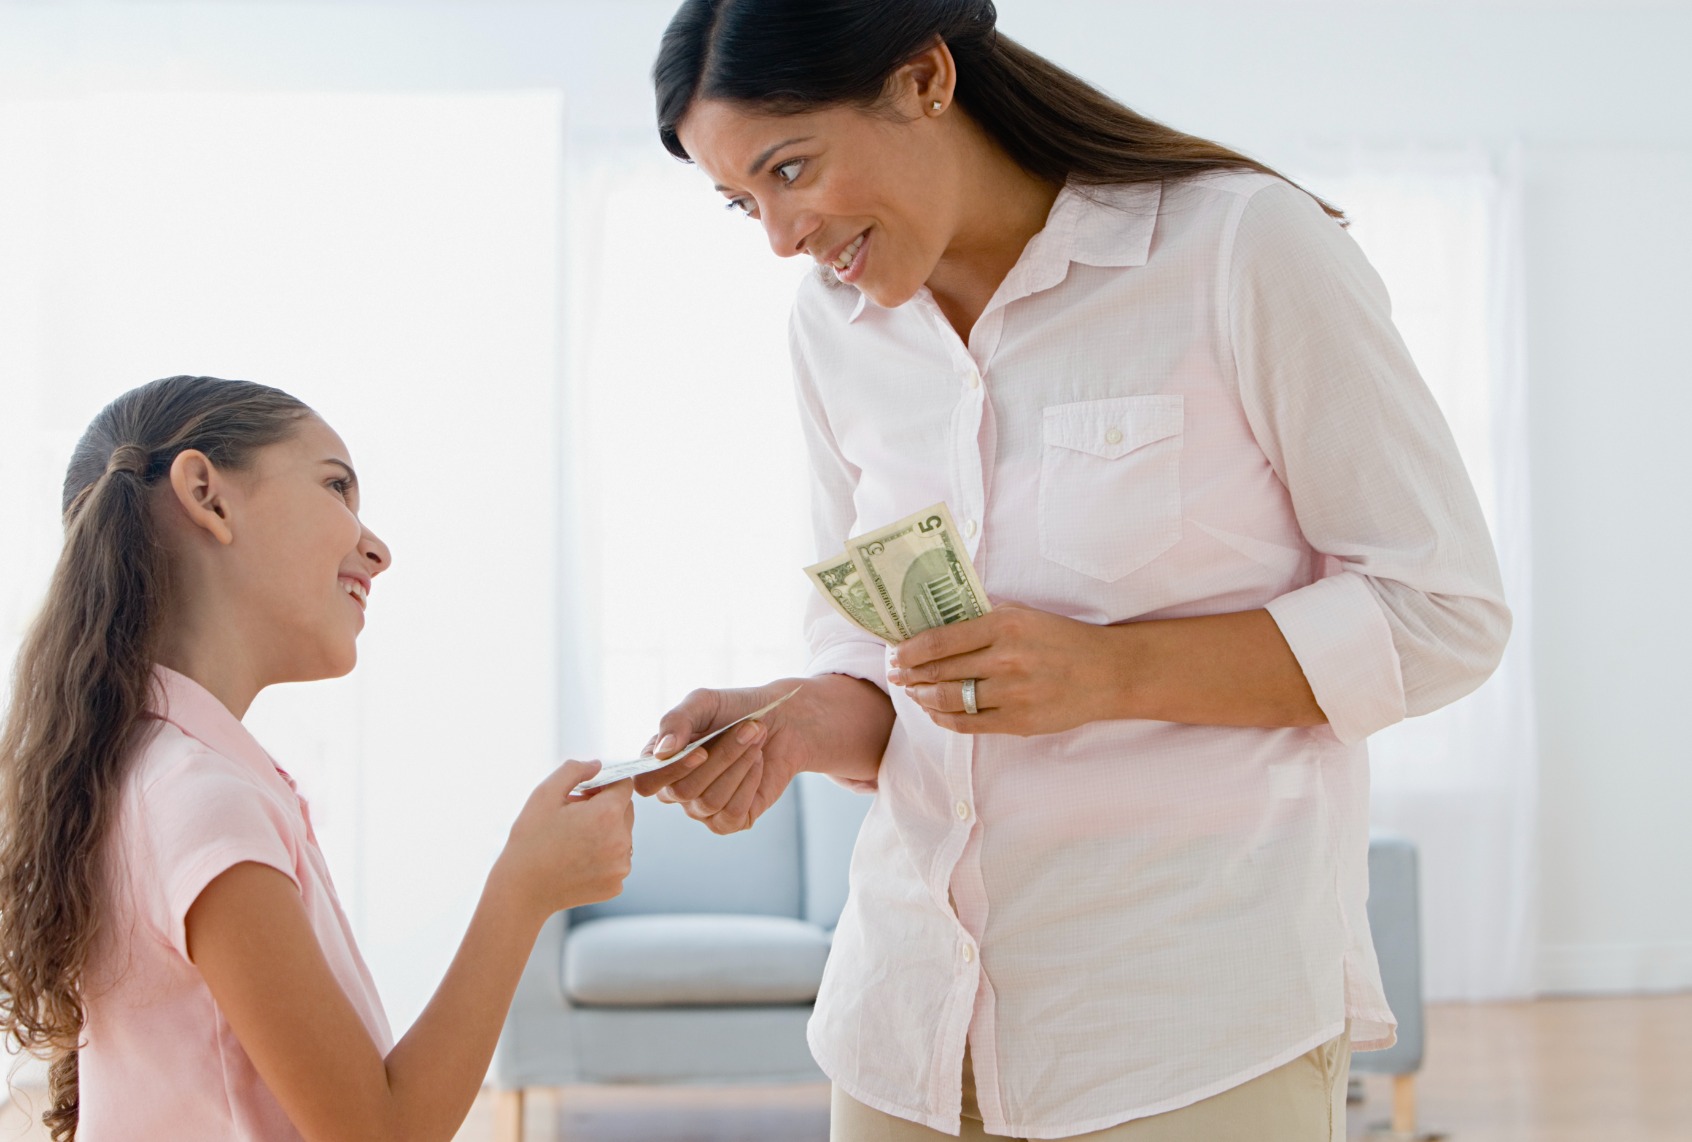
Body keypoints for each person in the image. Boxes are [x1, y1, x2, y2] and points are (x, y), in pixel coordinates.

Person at [637, 2, 1510, 1140]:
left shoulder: (1239, 247)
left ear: (924, 79)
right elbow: (871, 660)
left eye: (790, 169)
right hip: (901, 1034)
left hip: (1177, 1034)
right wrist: (796, 723)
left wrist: (1111, 671)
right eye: (742, 202)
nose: (781, 237)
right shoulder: (834, 330)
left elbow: (1442, 610)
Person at [0, 376, 635, 1142]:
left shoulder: (155, 771)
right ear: (208, 494)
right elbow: (376, 1130)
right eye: (337, 486)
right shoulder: (201, 797)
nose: (378, 548)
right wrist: (523, 889)